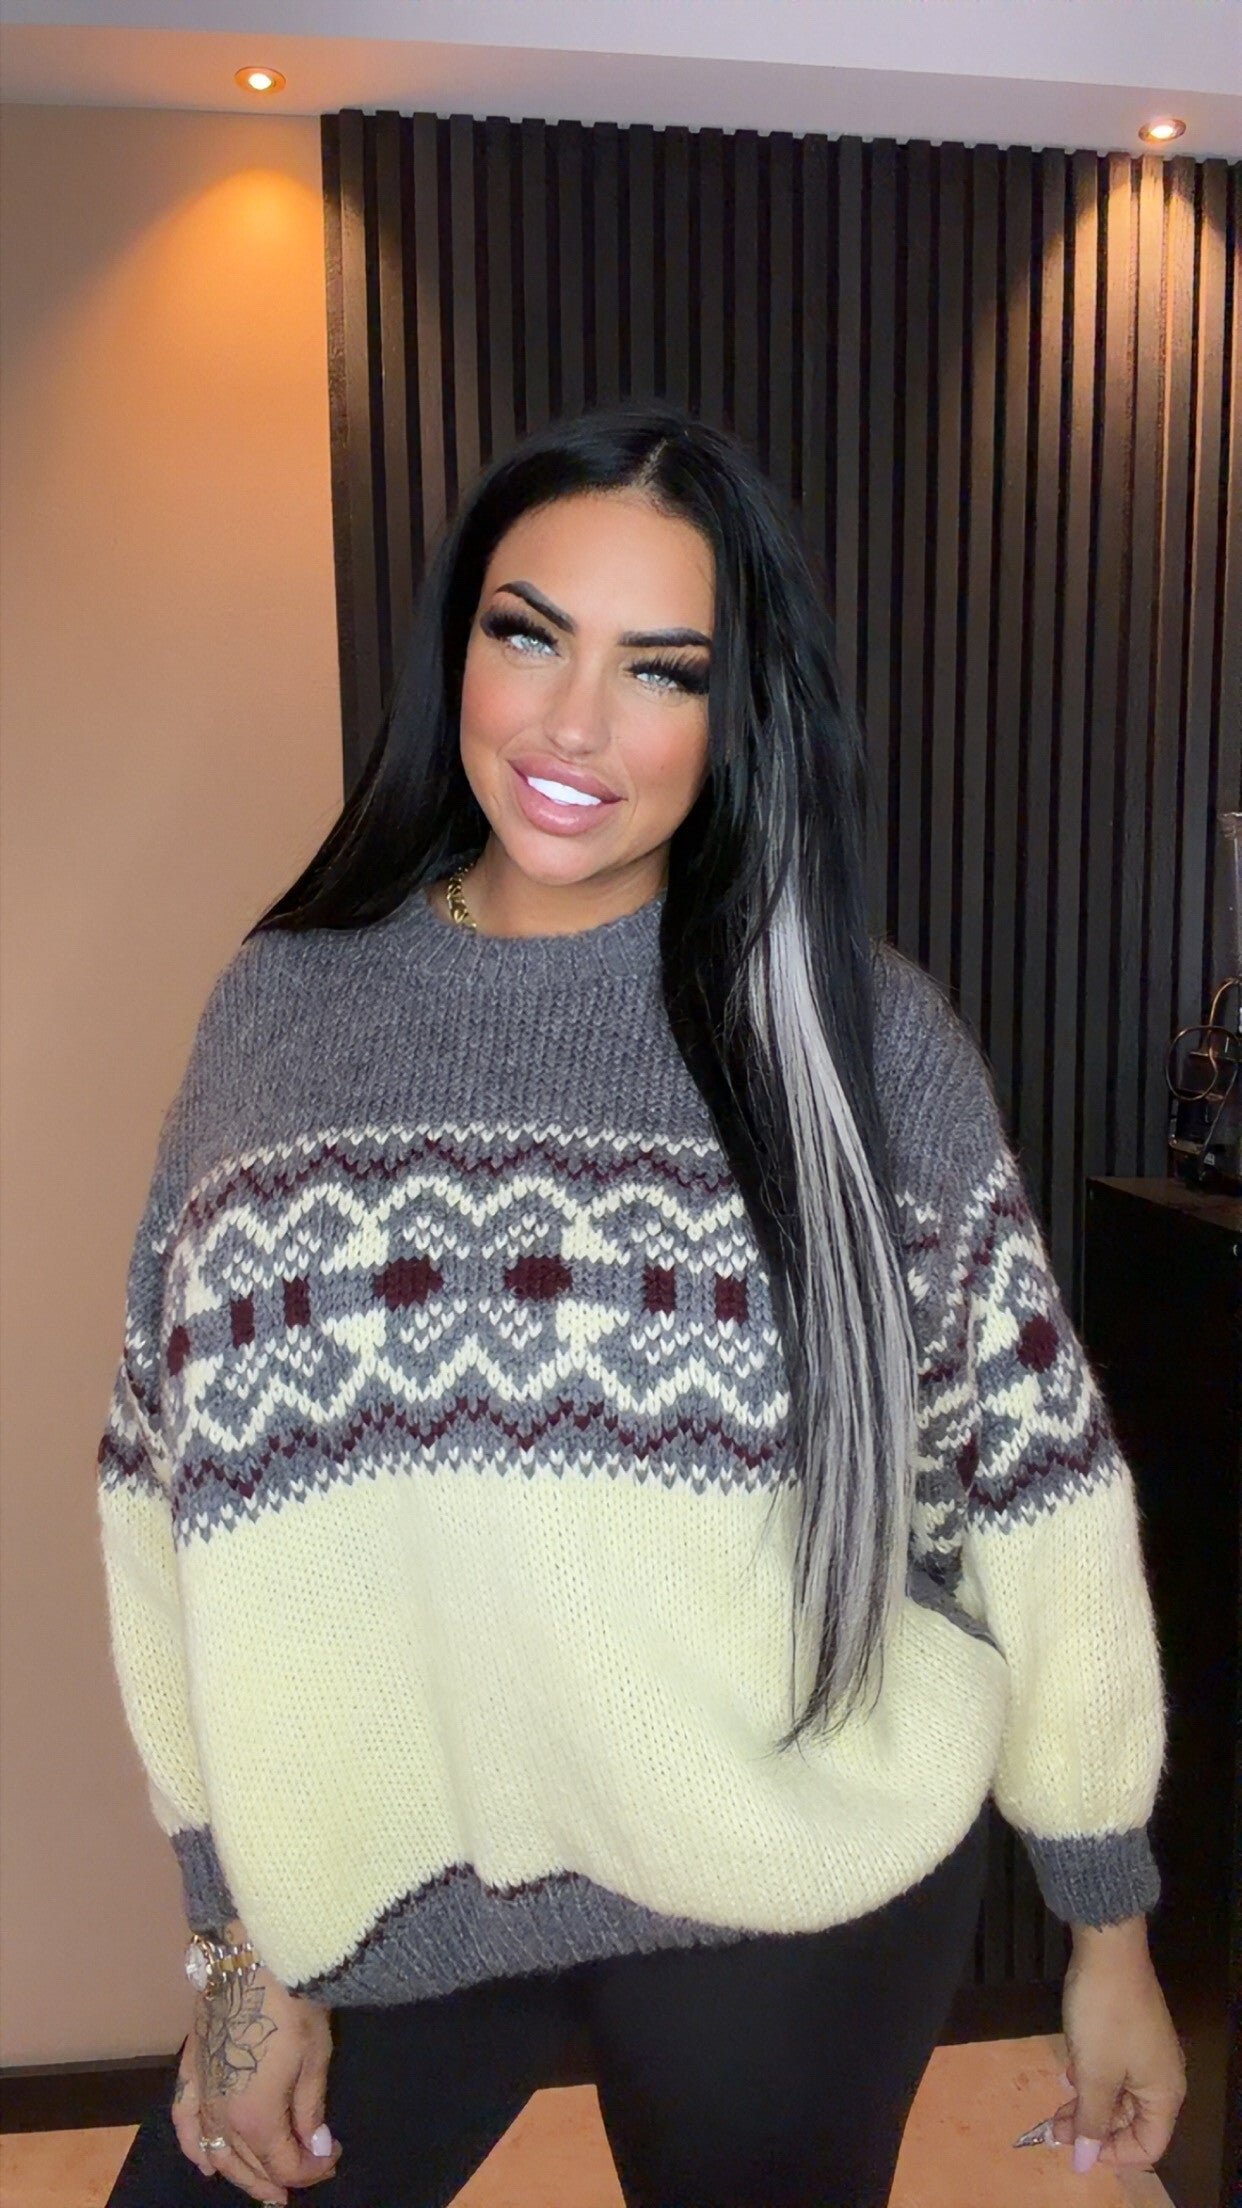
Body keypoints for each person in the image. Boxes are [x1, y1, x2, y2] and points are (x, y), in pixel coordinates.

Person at [99, 403, 1184, 2208]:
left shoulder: (857, 1039)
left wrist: (1106, 1923)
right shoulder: (284, 1016)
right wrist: (231, 1939)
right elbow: (164, 1498)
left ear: (737, 711)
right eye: (528, 635)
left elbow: (1037, 1497)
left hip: (785, 1886)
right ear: (458, 644)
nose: (572, 725)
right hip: (388, 1878)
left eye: (661, 669)